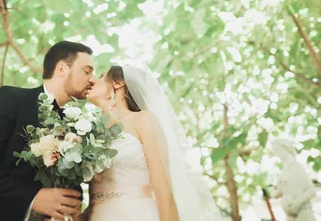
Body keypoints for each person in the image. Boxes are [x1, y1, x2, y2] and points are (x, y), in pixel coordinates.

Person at [0, 41, 96, 221]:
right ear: (61, 69)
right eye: (87, 71)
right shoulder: (12, 99)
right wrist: (33, 197)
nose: (92, 79)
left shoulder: (74, 129)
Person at [84, 62, 222, 220]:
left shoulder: (143, 120)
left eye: (102, 77)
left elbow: (162, 188)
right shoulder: (91, 133)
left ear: (118, 83)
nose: (93, 81)